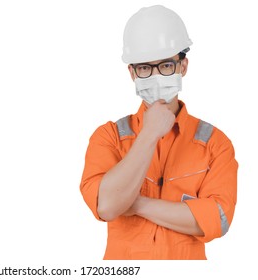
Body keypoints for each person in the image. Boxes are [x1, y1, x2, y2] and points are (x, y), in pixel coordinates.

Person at [79, 5, 238, 260]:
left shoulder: (215, 143)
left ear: (182, 66)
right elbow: (107, 206)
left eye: (165, 65)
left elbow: (218, 220)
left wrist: (135, 203)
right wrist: (149, 134)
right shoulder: (108, 137)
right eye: (144, 68)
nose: (155, 76)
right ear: (132, 73)